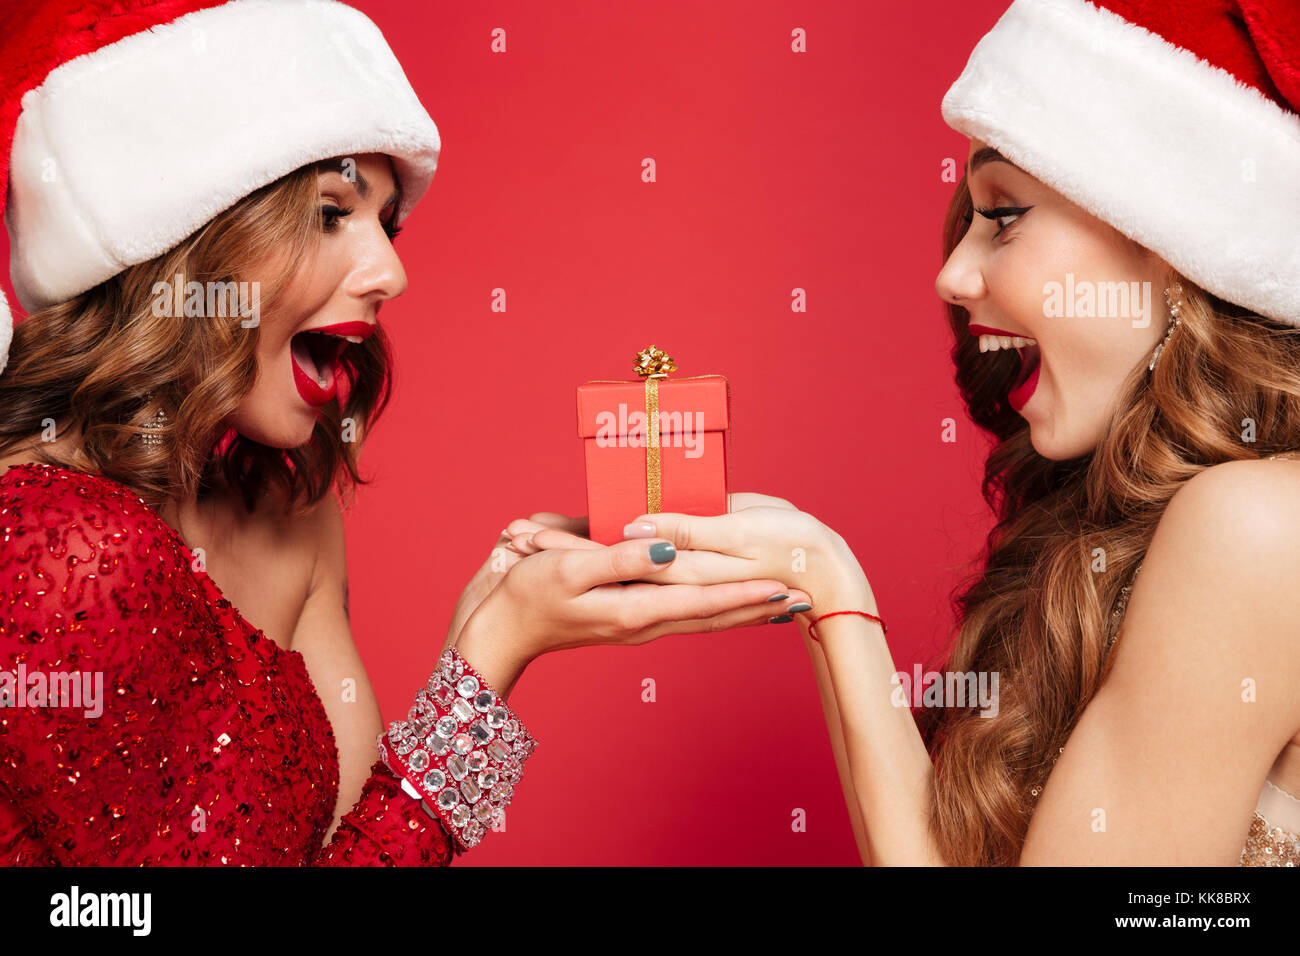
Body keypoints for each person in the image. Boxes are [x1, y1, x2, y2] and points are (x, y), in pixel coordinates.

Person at [0, 0, 812, 865]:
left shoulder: (289, 514)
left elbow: (361, 854)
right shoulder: (56, 548)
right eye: (329, 213)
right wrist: (495, 653)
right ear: (183, 240)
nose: (390, 271)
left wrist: (493, 622)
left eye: (386, 223)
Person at [520, 0, 1300, 865]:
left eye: (1002, 214)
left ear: (1172, 239)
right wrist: (817, 580)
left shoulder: (1261, 526)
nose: (954, 273)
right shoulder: (1154, 527)